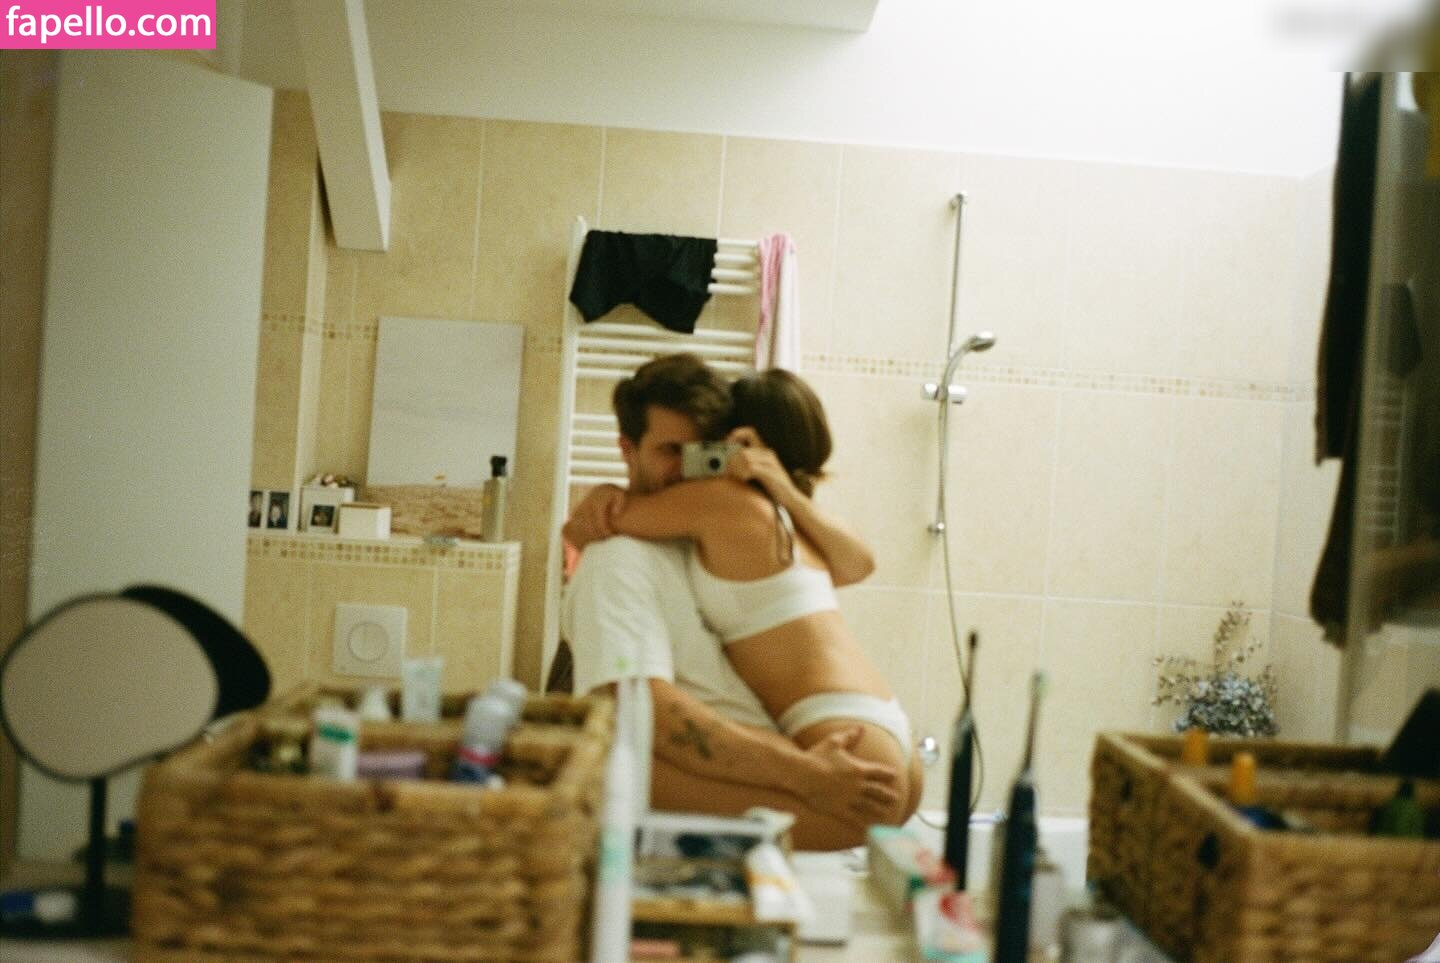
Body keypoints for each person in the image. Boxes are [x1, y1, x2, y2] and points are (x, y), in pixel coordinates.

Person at [561, 353, 900, 850]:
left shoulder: (718, 513)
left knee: (603, 768)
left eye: (702, 453)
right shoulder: (647, 551)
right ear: (627, 450)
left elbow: (586, 529)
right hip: (862, 740)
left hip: (845, 751)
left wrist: (599, 504)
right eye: (670, 451)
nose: (687, 470)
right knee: (606, 762)